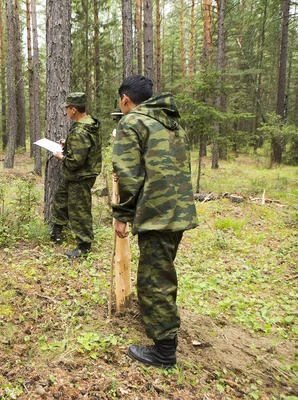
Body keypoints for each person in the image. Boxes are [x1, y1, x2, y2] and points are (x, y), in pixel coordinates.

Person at [112, 75, 198, 367]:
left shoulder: (132, 122)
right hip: (179, 211)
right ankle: (166, 330)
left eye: (121, 102)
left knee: (153, 282)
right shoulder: (170, 122)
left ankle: (163, 351)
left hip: (156, 215)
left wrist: (122, 214)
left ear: (126, 99)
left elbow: (129, 175)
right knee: (163, 273)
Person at [50, 92, 102, 258]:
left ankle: (84, 246)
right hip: (77, 175)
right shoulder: (87, 124)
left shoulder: (81, 129)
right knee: (60, 200)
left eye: (67, 108)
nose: (66, 112)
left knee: (80, 211)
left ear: (73, 109)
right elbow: (85, 147)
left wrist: (61, 156)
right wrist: (69, 144)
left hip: (80, 176)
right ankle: (57, 232)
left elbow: (75, 162)